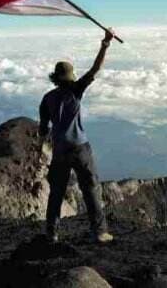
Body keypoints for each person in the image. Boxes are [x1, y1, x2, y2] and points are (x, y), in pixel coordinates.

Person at [38, 29, 115, 244]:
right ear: (70, 76)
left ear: (55, 78)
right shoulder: (76, 90)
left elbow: (43, 130)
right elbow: (96, 69)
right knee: (91, 189)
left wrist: (43, 148)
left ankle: (51, 233)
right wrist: (105, 44)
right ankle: (99, 232)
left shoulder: (47, 99)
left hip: (60, 151)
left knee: (56, 193)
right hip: (80, 148)